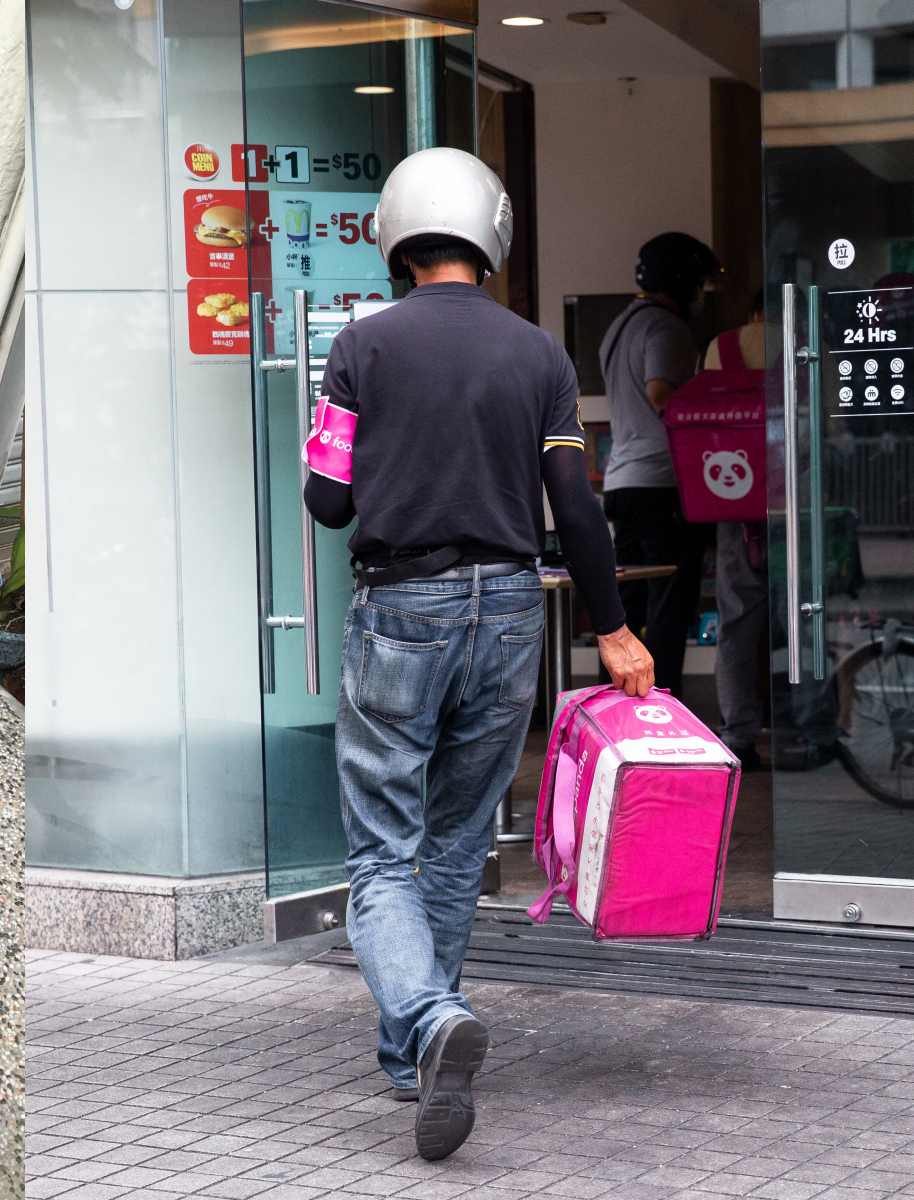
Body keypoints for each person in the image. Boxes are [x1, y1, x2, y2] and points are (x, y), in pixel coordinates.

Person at [303, 147, 654, 1162]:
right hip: (509, 609)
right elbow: (576, 508)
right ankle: (417, 1047)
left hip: (399, 606)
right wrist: (612, 627)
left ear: (397, 237)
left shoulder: (360, 348)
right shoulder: (540, 356)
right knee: (458, 843)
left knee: (382, 851)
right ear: (490, 234)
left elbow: (327, 502)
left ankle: (424, 1023)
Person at [599, 233, 721, 696]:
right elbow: (661, 394)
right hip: (661, 486)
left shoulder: (619, 326)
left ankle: (613, 713)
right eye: (699, 284)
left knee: (625, 611)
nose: (700, 295)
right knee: (669, 606)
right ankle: (664, 712)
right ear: (681, 280)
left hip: (622, 482)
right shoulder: (667, 328)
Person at [703, 295, 768, 769]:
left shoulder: (720, 348)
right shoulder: (812, 344)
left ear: (752, 314)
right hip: (797, 502)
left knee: (737, 623)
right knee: (806, 620)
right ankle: (814, 730)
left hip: (736, 504)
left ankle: (738, 734)